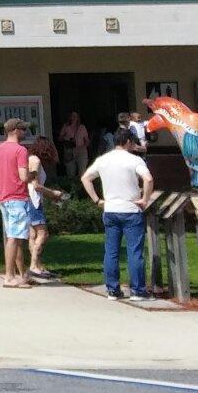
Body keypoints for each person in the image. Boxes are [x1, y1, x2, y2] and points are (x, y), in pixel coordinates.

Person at [82, 129, 155, 301]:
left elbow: (86, 178)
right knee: (135, 251)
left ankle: (112, 289)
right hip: (131, 209)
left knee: (111, 251)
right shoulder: (134, 160)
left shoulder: (103, 160)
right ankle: (137, 290)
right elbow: (148, 179)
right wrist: (144, 198)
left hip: (110, 209)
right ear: (128, 142)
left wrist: (96, 200)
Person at [0, 118, 37, 288]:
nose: (25, 132)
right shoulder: (20, 150)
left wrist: (4, 178)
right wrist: (33, 173)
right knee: (14, 238)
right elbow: (24, 177)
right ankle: (9, 276)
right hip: (17, 197)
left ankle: (22, 274)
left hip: (3, 197)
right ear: (15, 130)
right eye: (23, 129)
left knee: (15, 237)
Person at [25, 137, 68, 282]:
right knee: (43, 233)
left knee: (32, 235)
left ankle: (38, 265)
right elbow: (36, 185)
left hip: (30, 199)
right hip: (33, 200)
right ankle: (33, 266)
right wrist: (53, 193)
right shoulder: (35, 161)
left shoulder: (31, 159)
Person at [57, 112, 90, 182]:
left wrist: (83, 146)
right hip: (69, 150)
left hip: (81, 151)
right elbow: (59, 139)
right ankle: (72, 190)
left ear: (78, 118)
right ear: (70, 117)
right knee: (70, 173)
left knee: (82, 173)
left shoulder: (82, 127)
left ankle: (82, 189)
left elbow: (87, 140)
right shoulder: (66, 126)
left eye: (75, 116)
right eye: (72, 116)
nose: (74, 117)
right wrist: (66, 138)